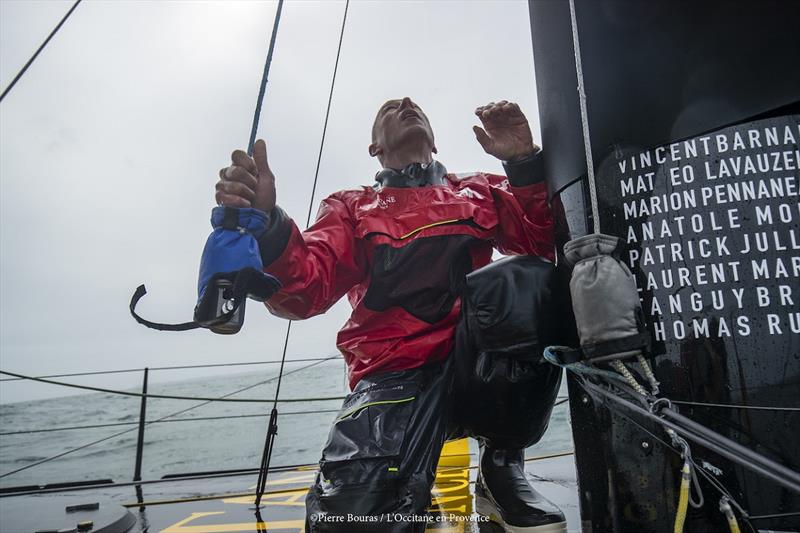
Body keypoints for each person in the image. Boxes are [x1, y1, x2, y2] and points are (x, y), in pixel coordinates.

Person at [215, 97, 568, 532]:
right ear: (373, 148)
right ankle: (408, 493)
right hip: (392, 376)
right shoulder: (350, 206)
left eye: (416, 105)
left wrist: (524, 162)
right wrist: (268, 223)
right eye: (388, 110)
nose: (405, 104)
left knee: (527, 277)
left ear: (435, 143)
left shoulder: (481, 189)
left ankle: (500, 467)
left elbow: (543, 242)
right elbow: (305, 289)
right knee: (351, 521)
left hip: (480, 370)